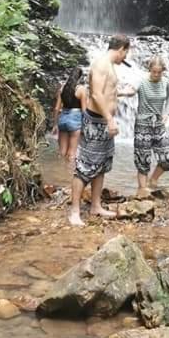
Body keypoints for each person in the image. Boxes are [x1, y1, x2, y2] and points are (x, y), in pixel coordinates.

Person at [69, 35, 130, 227]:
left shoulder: (109, 66)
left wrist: (122, 93)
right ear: (121, 49)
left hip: (103, 122)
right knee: (85, 167)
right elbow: (95, 93)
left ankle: (96, 205)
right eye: (126, 53)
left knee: (102, 165)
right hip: (97, 122)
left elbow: (105, 91)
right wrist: (110, 119)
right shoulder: (102, 64)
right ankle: (74, 212)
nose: (125, 57)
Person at [130, 55, 169, 196]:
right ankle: (142, 190)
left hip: (159, 124)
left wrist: (167, 113)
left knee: (167, 159)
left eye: (159, 72)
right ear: (149, 70)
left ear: (163, 71)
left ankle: (153, 180)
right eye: (154, 71)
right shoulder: (141, 82)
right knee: (143, 159)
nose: (156, 75)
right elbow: (132, 90)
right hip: (143, 124)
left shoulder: (165, 82)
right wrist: (120, 92)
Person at [52, 66, 86, 163]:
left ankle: (59, 172)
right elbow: (84, 110)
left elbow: (57, 108)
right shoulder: (81, 89)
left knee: (62, 152)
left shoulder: (62, 88)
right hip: (75, 120)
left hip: (63, 119)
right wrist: (86, 126)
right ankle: (68, 176)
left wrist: (55, 124)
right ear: (80, 77)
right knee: (72, 154)